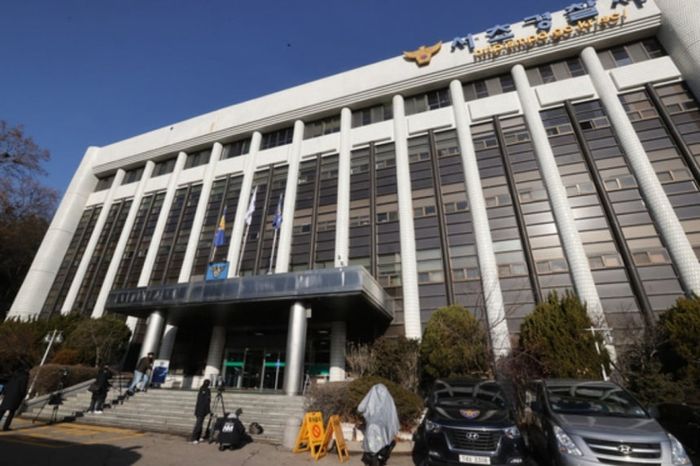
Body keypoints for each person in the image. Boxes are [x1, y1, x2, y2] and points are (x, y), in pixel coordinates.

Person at [358, 383, 400, 466]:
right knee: (383, 444)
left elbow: (361, 407)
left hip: (373, 426)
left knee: (373, 447)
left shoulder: (373, 396)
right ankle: (381, 459)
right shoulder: (388, 399)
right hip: (384, 427)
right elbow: (393, 415)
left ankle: (375, 460)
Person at [0, 366, 29, 431]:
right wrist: (23, 395)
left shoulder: (13, 376)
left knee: (2, 410)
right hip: (16, 396)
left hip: (8, 395)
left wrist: (4, 393)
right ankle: (6, 427)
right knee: (11, 412)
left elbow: (7, 385)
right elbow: (23, 388)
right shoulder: (24, 377)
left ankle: (5, 427)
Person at [191, 379, 211, 444]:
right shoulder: (206, 390)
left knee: (200, 424)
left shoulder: (201, 389)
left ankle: (198, 437)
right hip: (201, 410)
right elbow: (207, 401)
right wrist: (208, 410)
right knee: (198, 424)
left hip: (199, 410)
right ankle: (194, 438)